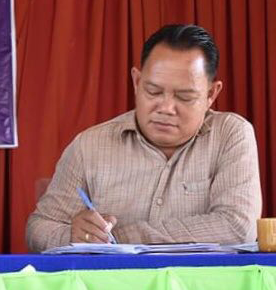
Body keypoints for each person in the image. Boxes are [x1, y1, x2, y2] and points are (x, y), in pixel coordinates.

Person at [26, 24, 261, 252]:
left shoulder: (230, 135)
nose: (166, 108)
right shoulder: (90, 146)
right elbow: (40, 228)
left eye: (184, 97)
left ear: (211, 94)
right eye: (153, 91)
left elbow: (238, 227)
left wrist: (120, 238)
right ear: (137, 82)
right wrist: (73, 236)